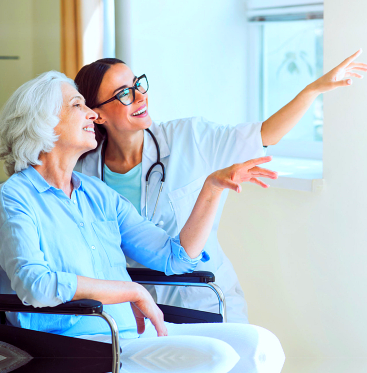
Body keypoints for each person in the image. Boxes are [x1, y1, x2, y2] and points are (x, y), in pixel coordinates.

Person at [0, 72, 285, 373]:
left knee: (260, 344)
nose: (92, 114)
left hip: (133, 334)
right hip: (80, 342)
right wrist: (132, 291)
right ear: (42, 124)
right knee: (218, 356)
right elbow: (35, 285)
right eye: (77, 106)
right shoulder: (15, 197)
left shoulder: (97, 193)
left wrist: (212, 187)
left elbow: (176, 258)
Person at [74, 49, 367, 323]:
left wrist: (313, 89)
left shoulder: (189, 137)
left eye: (138, 84)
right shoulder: (83, 172)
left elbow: (265, 134)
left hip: (202, 300)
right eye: (124, 93)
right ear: (96, 114)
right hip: (136, 311)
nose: (140, 96)